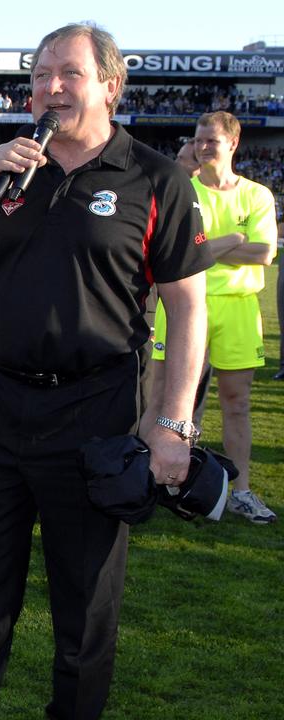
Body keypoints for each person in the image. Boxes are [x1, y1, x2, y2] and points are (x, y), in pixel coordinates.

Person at [0, 23, 211, 719]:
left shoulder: (156, 178)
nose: (50, 86)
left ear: (110, 86)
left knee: (84, 612)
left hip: (94, 414)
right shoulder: (7, 171)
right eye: (40, 74)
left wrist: (171, 423)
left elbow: (187, 308)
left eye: (68, 73)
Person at [146, 111, 277, 524]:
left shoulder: (257, 195)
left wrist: (205, 248)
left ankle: (241, 492)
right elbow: (176, 252)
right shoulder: (182, 189)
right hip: (184, 302)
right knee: (171, 398)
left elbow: (264, 253)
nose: (203, 147)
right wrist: (234, 240)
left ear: (232, 144)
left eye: (212, 141)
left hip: (237, 307)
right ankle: (156, 481)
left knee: (236, 403)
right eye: (199, 140)